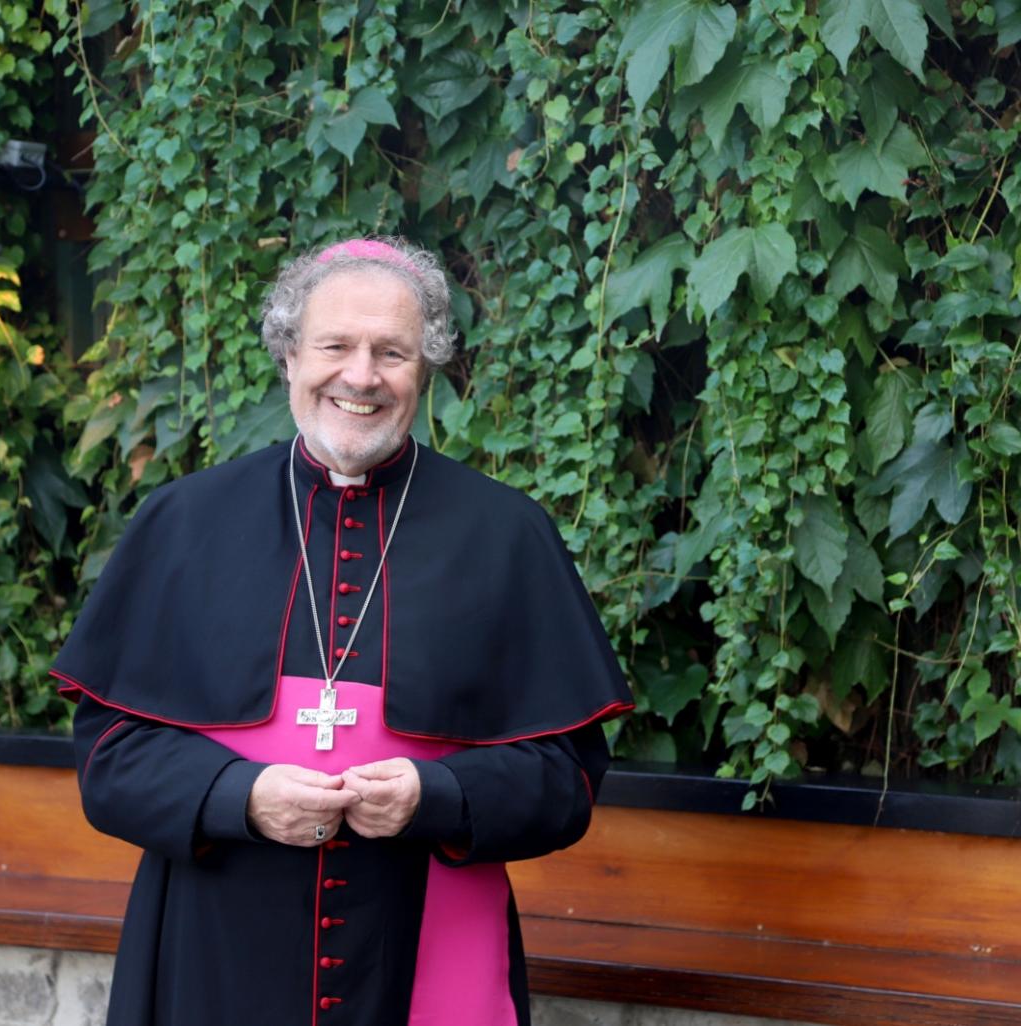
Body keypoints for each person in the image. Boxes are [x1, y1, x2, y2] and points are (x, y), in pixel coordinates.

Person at [52, 236, 634, 1026]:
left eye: (391, 351)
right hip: (215, 952)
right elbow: (109, 759)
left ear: (423, 370)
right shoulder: (185, 522)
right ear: (289, 356)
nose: (361, 375)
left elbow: (567, 781)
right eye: (335, 346)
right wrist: (239, 797)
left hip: (424, 929)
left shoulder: (506, 535)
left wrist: (441, 795)